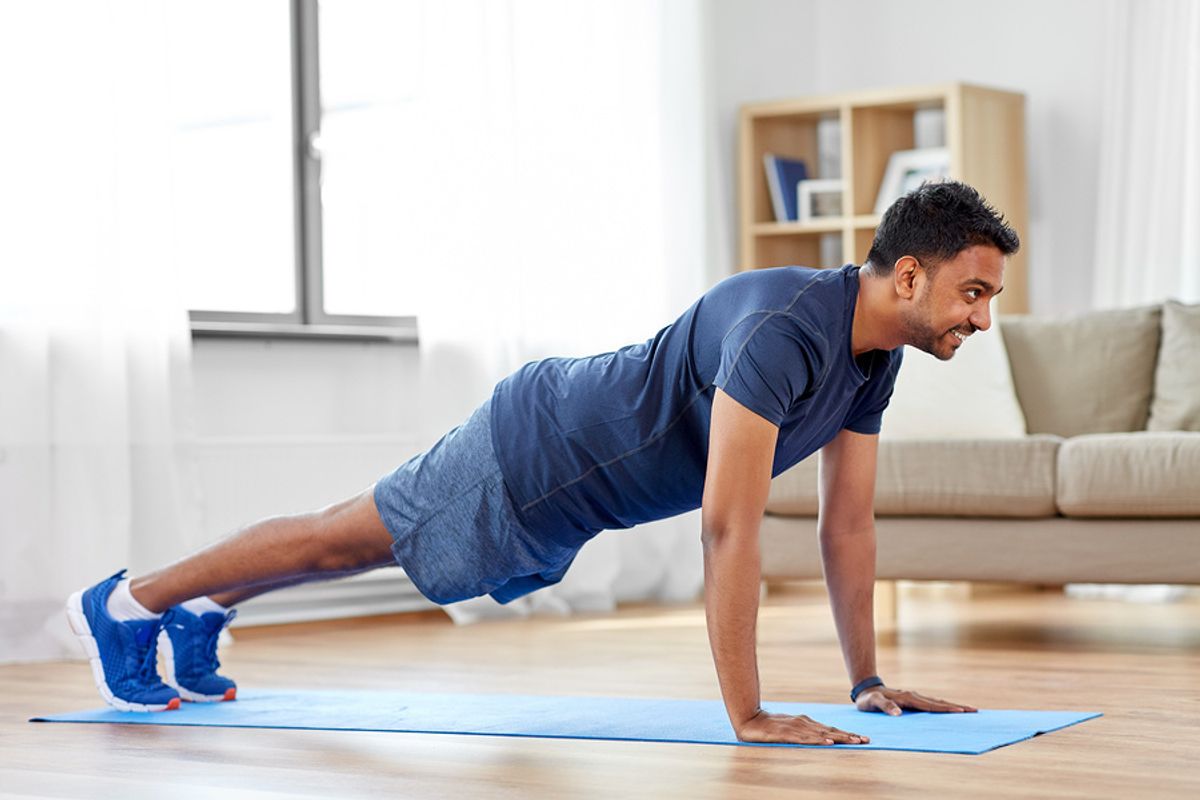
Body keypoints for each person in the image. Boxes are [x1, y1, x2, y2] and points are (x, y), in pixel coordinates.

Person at [67, 179, 1018, 746]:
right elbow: (727, 527)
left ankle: (199, 608)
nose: (981, 317)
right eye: (972, 292)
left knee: (357, 548)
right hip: (537, 448)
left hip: (576, 492)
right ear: (907, 275)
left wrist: (864, 682)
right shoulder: (784, 329)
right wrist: (750, 717)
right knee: (338, 543)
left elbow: (845, 523)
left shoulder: (874, 359)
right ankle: (127, 605)